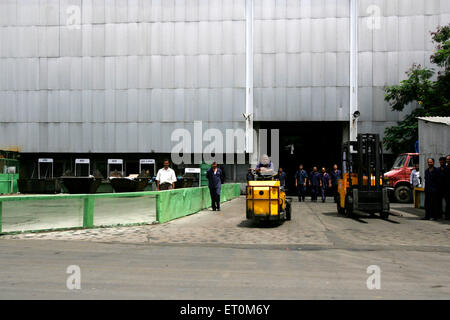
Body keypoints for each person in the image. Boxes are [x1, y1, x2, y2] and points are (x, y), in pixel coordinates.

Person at [445, 155, 450, 220]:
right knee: (448, 202)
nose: (448, 161)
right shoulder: (445, 168)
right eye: (447, 159)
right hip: (446, 188)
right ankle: (447, 215)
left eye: (449, 159)